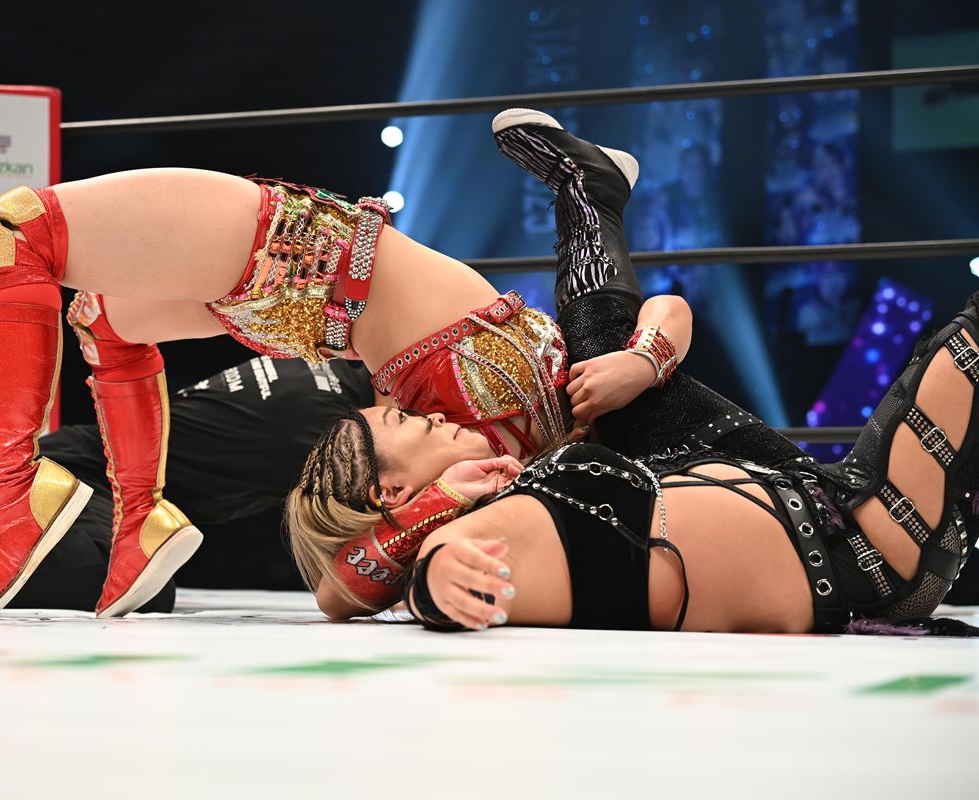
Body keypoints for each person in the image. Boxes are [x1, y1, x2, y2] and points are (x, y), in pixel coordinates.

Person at [0, 105, 696, 619]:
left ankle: (14, 501)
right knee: (97, 320)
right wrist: (643, 361)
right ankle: (137, 524)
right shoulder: (591, 426)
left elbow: (341, 590)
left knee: (14, 231)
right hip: (307, 295)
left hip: (302, 258)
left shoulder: (468, 492)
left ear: (394, 493)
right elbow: (661, 309)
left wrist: (438, 500)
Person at [285, 111, 977, 628]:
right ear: (391, 490)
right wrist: (436, 540)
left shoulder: (520, 477)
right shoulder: (478, 530)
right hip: (869, 541)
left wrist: (642, 362)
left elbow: (670, 310)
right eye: (409, 422)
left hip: (820, 500)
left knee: (597, 372)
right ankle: (588, 192)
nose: (431, 414)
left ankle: (588, 191)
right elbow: (355, 590)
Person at [0, 357, 372, 612]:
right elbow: (345, 569)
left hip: (84, 468)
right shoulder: (335, 430)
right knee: (145, 591)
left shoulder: (315, 369)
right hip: (86, 486)